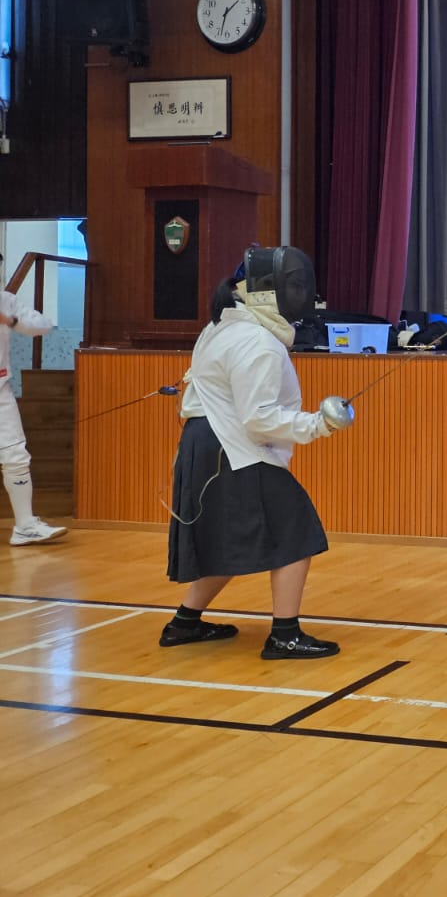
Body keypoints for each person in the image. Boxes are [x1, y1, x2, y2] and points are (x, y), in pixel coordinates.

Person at [162, 247, 353, 659]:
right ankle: (285, 635)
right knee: (296, 533)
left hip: (209, 444)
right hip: (232, 447)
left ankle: (184, 623)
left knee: (228, 539)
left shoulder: (222, 326)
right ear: (269, 292)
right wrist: (319, 424)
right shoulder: (257, 342)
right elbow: (259, 418)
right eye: (294, 287)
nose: (301, 295)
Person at [1, 262, 66, 546]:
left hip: (1, 388)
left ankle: (25, 525)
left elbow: (44, 325)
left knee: (15, 455)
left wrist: (10, 321)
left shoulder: (6, 301)